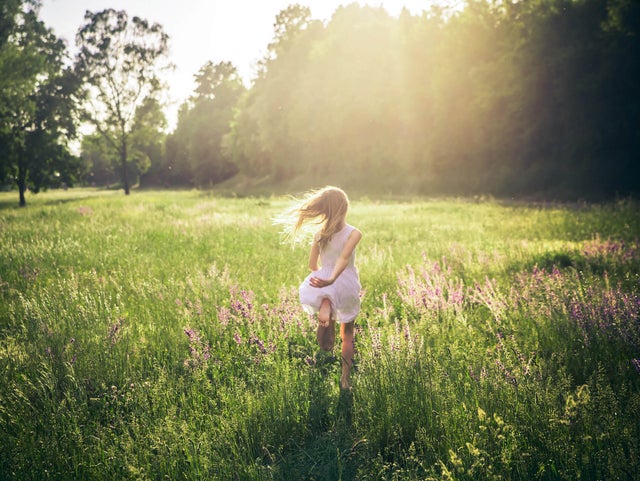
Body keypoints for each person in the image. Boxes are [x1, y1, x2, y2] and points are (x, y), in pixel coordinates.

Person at [279, 186, 362, 390]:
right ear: (345, 208)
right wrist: (333, 279)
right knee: (348, 334)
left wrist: (324, 278)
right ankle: (345, 380)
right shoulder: (354, 233)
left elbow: (312, 265)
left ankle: (326, 303)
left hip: (324, 279)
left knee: (326, 344)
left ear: (324, 210)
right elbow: (344, 258)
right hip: (344, 282)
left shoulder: (319, 234)